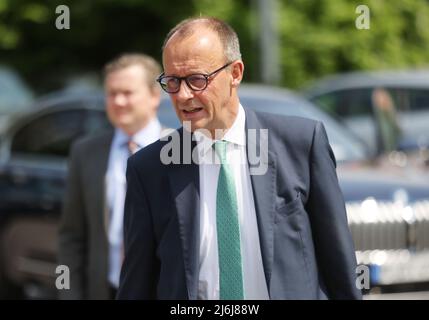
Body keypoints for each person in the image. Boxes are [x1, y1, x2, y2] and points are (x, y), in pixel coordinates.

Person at [117, 17, 361, 300]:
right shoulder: (149, 168)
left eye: (196, 80)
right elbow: (137, 283)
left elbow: (339, 264)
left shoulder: (301, 144)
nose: (182, 95)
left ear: (235, 73)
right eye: (172, 81)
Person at [58, 53, 163, 299]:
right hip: (105, 290)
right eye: (112, 93)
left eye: (127, 93)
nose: (118, 101)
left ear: (154, 96)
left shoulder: (177, 151)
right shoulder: (86, 151)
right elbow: (72, 236)